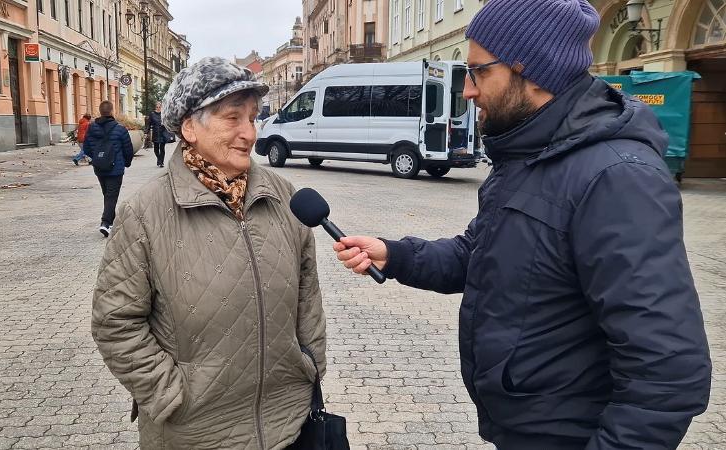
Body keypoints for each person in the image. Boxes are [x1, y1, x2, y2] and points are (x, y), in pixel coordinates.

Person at [333, 1, 711, 449]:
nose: (467, 91)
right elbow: (479, 254)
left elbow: (668, 369)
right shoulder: (528, 156)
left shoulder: (616, 176)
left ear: (528, 70)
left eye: (477, 72)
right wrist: (395, 255)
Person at [91, 57, 326, 449]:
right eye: (232, 118)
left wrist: (310, 366)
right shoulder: (145, 213)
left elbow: (308, 297)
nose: (249, 133)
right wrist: (170, 394)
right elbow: (115, 323)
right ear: (189, 127)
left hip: (288, 424)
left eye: (253, 117)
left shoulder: (285, 197)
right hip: (194, 434)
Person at [83, 101, 133, 237]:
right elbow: (128, 149)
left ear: (100, 112)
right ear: (112, 112)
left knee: (107, 194)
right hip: (115, 168)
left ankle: (112, 221)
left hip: (99, 168)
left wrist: (97, 157)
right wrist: (126, 163)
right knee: (111, 195)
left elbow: (86, 148)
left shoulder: (91, 128)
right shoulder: (120, 129)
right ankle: (105, 223)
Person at [145, 101, 170, 167]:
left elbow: (168, 122)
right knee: (156, 148)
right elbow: (148, 124)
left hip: (163, 132)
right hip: (155, 132)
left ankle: (161, 162)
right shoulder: (152, 114)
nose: (158, 108)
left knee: (162, 148)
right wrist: (146, 132)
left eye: (160, 107)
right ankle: (159, 159)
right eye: (157, 107)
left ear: (161, 107)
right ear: (155, 107)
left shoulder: (164, 114)